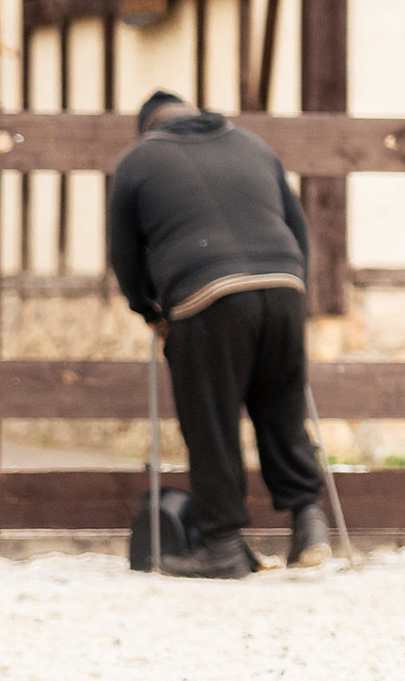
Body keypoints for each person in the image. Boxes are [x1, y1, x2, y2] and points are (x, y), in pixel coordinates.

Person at [107, 90, 327, 577]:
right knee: (283, 407)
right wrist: (295, 290)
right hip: (284, 284)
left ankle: (223, 546)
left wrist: (149, 310)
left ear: (149, 127)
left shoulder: (139, 159)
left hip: (207, 295)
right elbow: (299, 228)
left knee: (210, 419)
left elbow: (124, 253)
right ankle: (309, 525)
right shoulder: (252, 144)